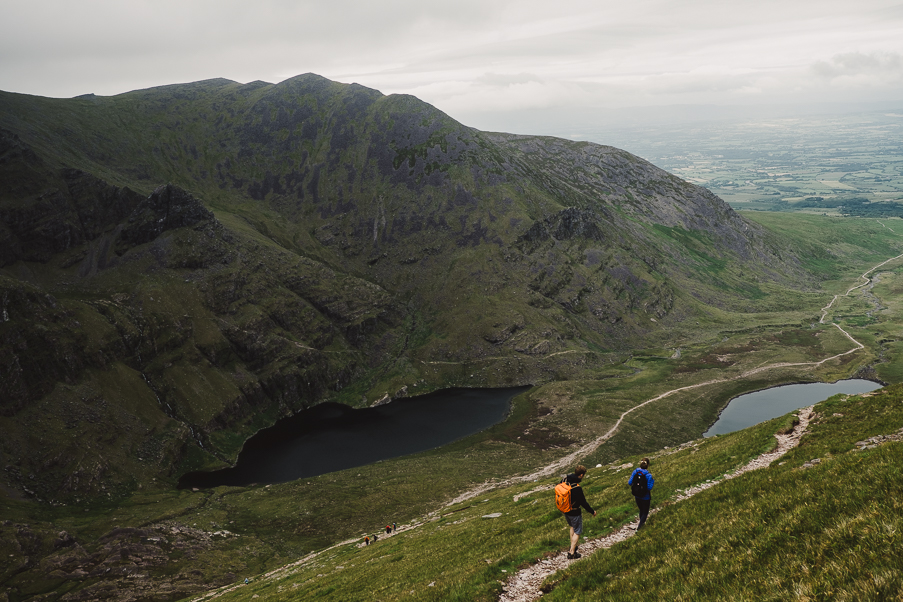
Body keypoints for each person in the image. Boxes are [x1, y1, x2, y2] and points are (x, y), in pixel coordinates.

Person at [558, 464, 596, 559]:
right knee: (578, 531)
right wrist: (592, 512)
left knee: (572, 527)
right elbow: (583, 502)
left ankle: (573, 548)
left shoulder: (565, 479)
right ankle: (571, 553)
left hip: (566, 510)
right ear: (581, 475)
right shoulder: (577, 487)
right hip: (575, 511)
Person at [628, 458, 654, 530]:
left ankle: (641, 523)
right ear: (648, 465)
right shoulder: (648, 475)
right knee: (645, 513)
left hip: (637, 495)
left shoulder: (635, 472)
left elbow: (630, 483)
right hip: (645, 497)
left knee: (641, 510)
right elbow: (649, 488)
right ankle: (639, 528)